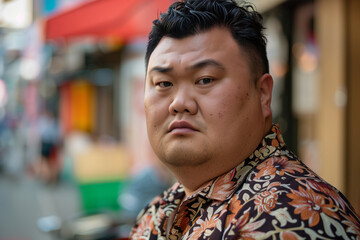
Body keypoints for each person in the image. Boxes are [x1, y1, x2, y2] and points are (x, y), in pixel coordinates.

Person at [130, 0, 360, 239]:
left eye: (205, 79)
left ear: (263, 94)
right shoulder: (154, 215)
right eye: (164, 83)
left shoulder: (295, 215)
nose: (179, 103)